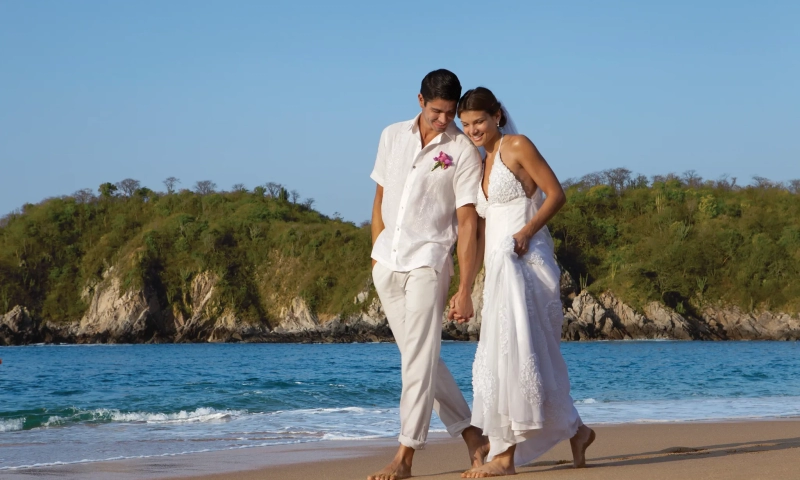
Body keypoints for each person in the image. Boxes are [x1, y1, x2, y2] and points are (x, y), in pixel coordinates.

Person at [455, 87, 595, 478]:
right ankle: (578, 432)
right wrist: (466, 285)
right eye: (466, 124)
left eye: (479, 121)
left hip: (526, 261)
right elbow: (480, 228)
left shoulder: (516, 146)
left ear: (497, 115)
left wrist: (527, 232)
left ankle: (505, 456)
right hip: (499, 267)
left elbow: (556, 194)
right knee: (525, 358)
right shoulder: (481, 161)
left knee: (516, 354)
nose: (473, 130)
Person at [367, 69, 489, 480]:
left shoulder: (462, 150)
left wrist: (465, 287)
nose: (444, 120)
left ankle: (405, 456)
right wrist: (376, 256)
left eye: (450, 112)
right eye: (436, 111)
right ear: (420, 101)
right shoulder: (391, 136)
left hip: (428, 263)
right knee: (420, 359)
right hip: (387, 263)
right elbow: (380, 196)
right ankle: (473, 435)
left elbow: (468, 222)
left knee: (418, 361)